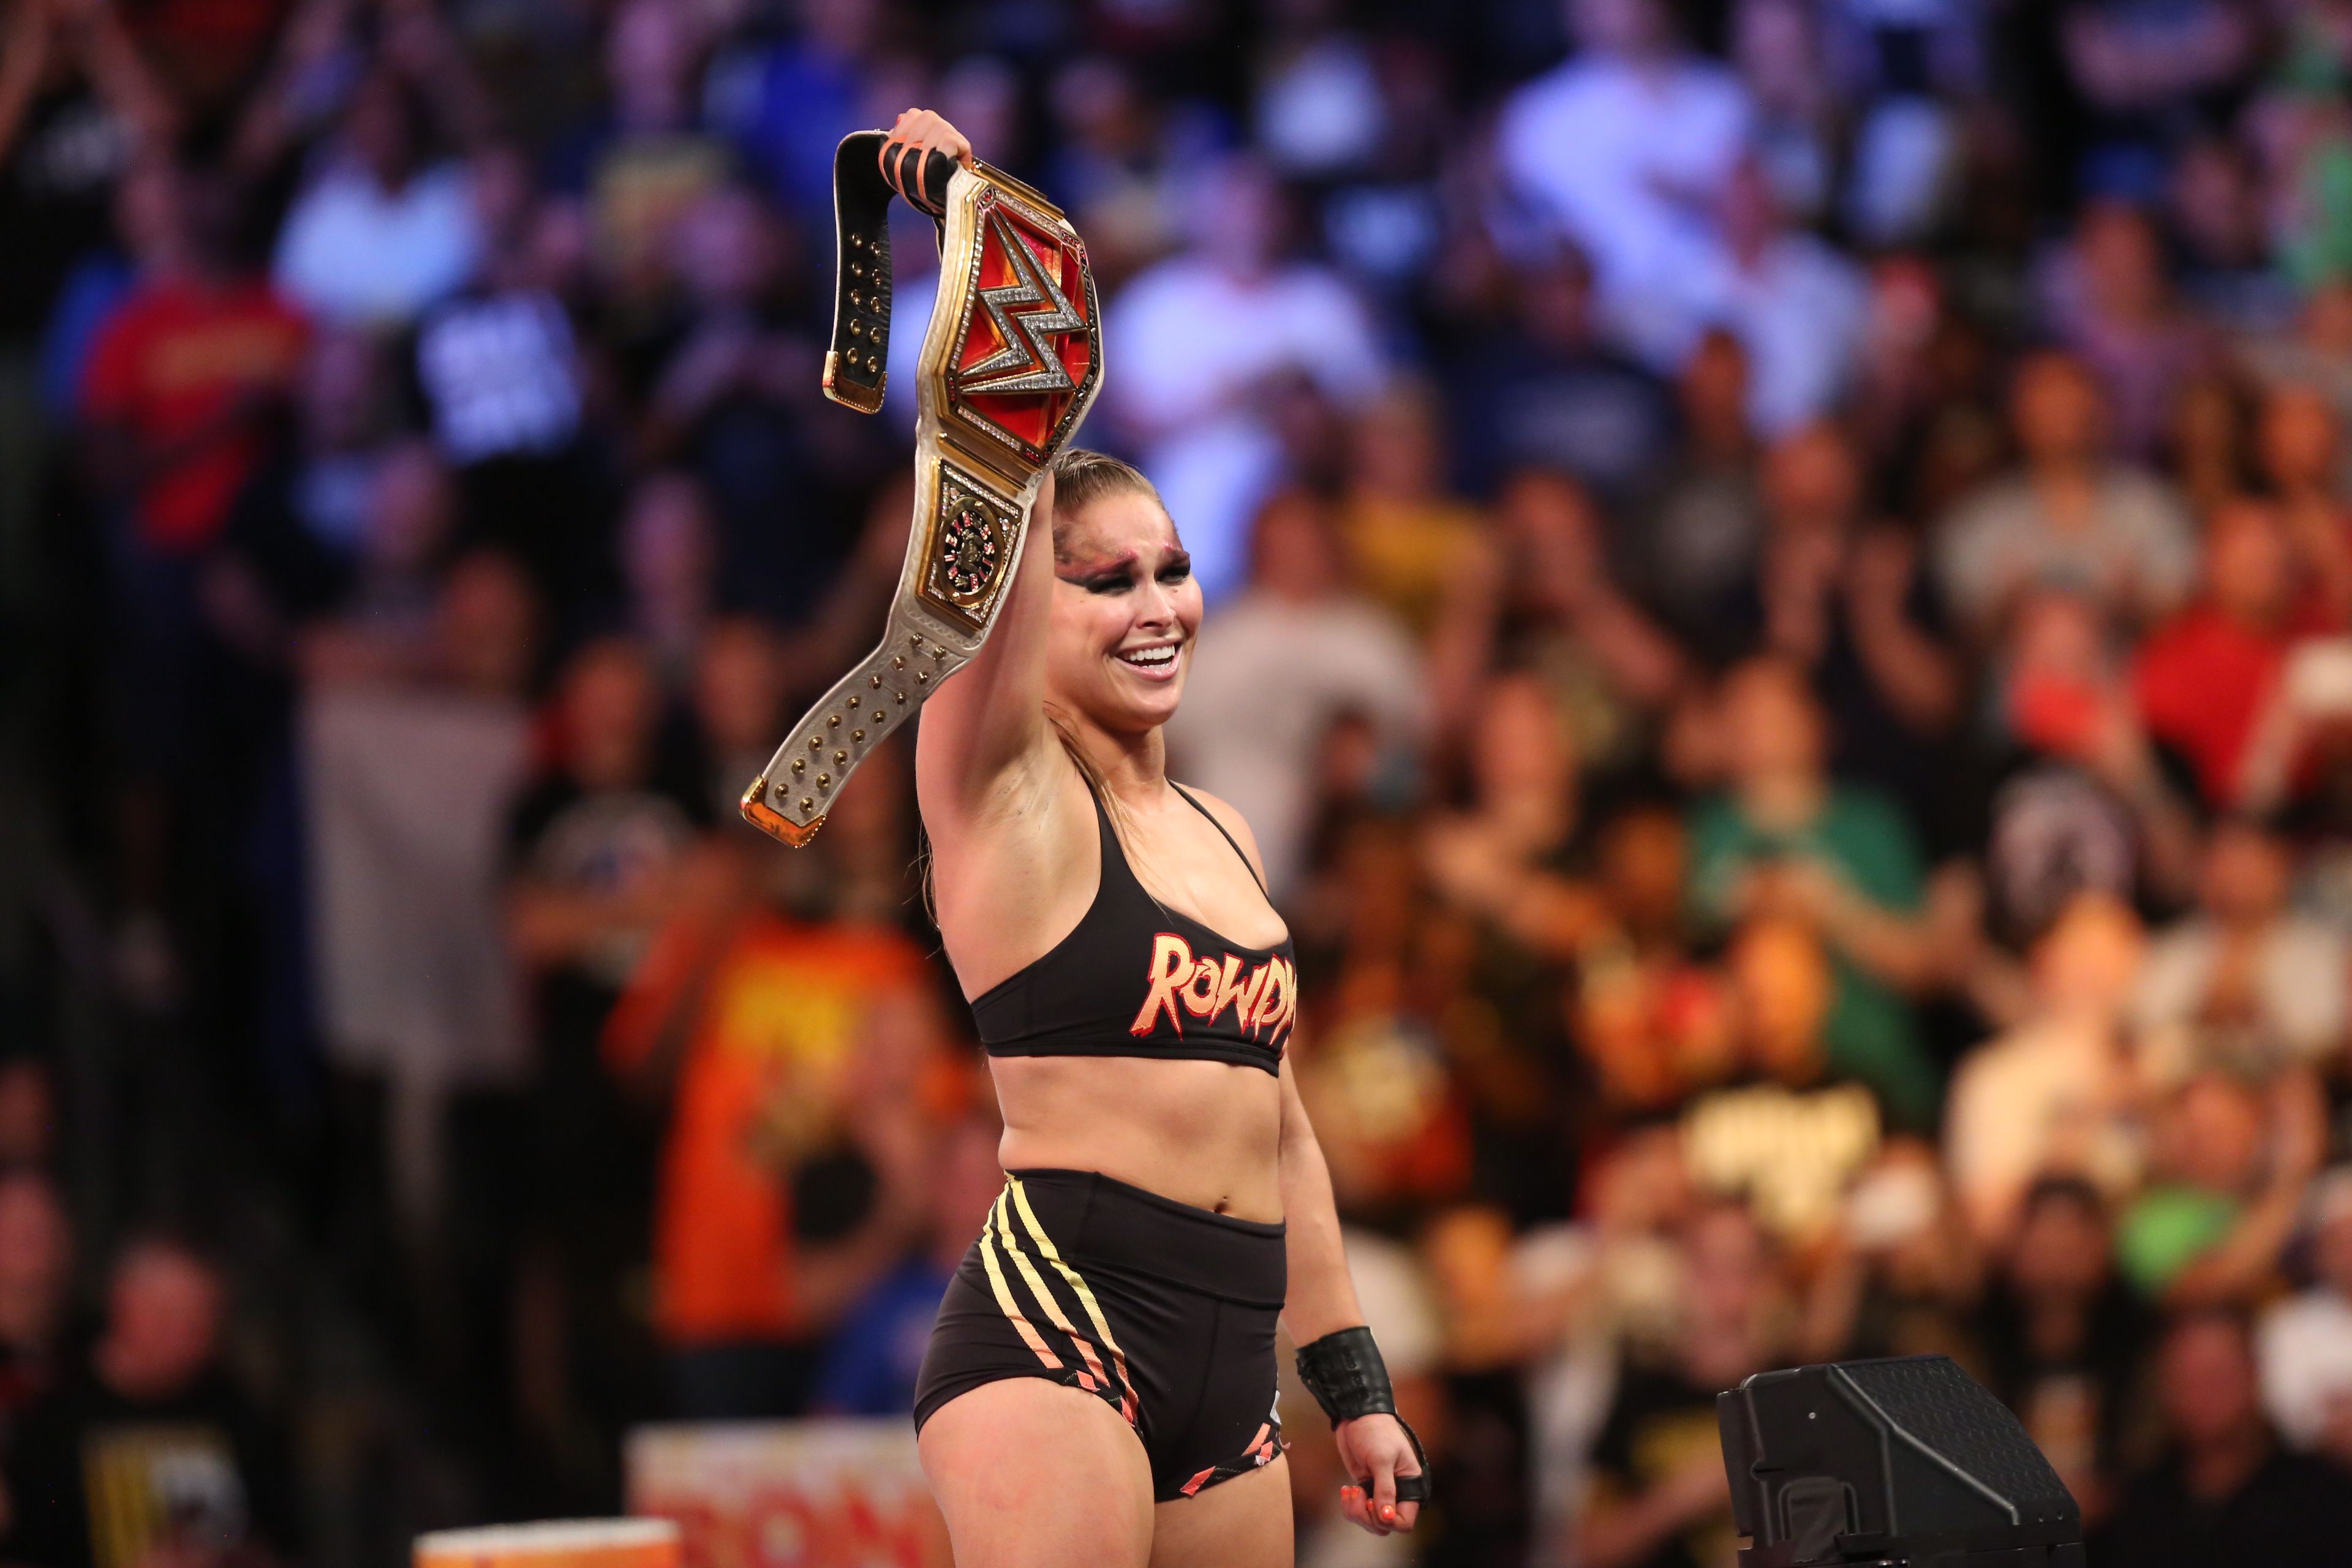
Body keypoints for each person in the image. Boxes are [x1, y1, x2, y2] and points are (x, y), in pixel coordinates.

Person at [887, 102, 1420, 1568]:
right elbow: (973, 555)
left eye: (1172, 569)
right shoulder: (1001, 790)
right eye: (1105, 579)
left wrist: (1353, 1384)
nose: (1156, 605)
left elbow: (1282, 1126)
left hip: (1231, 1378)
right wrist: (979, 248)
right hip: (1056, 1338)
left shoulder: (1223, 828)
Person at [2091, 1309, 2352, 1567]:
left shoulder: (2322, 1500)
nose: (2205, 1394)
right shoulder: (2136, 1507)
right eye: (2188, 1379)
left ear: (2254, 1375)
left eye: (2218, 1375)